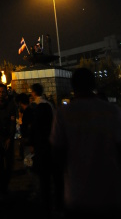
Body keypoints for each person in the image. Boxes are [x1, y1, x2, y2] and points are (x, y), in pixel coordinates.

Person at [50, 67, 121, 217]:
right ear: (94, 84)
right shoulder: (112, 111)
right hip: (109, 192)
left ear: (73, 86)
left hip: (77, 193)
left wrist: (58, 195)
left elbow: (57, 156)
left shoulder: (63, 114)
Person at [28, 83, 54, 217]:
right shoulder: (49, 105)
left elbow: (33, 126)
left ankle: (40, 195)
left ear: (33, 92)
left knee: (38, 171)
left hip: (39, 143)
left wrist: (31, 142)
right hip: (48, 142)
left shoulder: (35, 106)